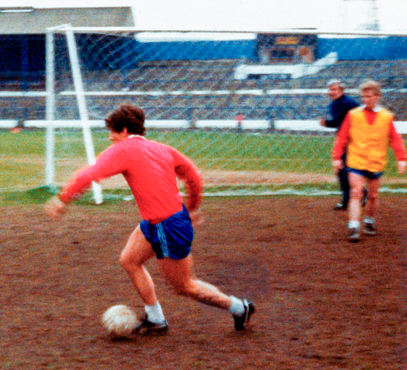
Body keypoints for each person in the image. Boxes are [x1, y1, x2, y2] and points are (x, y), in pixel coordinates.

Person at [45, 103, 255, 334]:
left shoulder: (124, 149)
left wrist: (62, 199)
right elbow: (194, 177)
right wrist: (192, 207)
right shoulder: (163, 149)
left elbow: (90, 174)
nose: (109, 137)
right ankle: (156, 319)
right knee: (129, 260)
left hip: (168, 226)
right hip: (159, 221)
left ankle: (239, 307)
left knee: (184, 286)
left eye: (112, 131)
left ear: (124, 130)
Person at [331, 80, 406, 241]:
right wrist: (337, 157)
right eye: (364, 96)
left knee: (372, 196)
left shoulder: (387, 117)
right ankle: (353, 227)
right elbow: (342, 137)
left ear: (377, 97)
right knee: (356, 192)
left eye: (370, 96)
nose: (366, 100)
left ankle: (369, 220)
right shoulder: (353, 115)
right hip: (356, 160)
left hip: (376, 162)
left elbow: (395, 139)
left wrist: (401, 158)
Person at [320, 79, 360, 210]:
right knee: (345, 170)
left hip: (352, 140)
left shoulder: (347, 103)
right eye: (330, 89)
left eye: (334, 89)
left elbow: (356, 119)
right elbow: (338, 123)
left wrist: (327, 123)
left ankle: (349, 199)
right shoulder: (336, 103)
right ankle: (356, 195)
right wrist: (327, 123)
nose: (331, 92)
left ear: (341, 90)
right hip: (343, 140)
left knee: (344, 170)